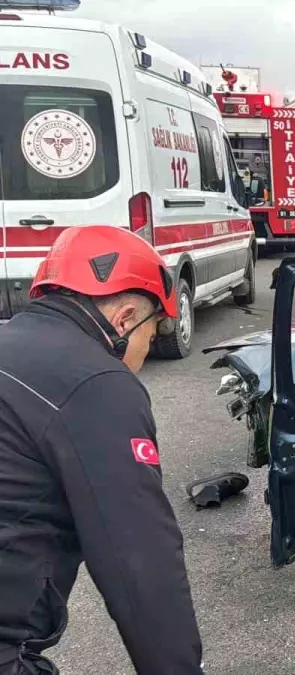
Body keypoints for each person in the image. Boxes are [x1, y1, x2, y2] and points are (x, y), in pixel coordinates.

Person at [0, 226, 204, 674]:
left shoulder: (10, 346)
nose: (148, 348)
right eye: (153, 331)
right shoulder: (96, 383)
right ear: (126, 319)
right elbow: (140, 560)